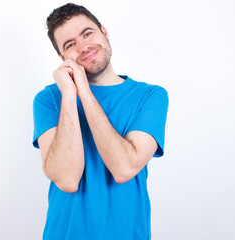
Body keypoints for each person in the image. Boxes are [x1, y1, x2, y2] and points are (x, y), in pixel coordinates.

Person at [32, 3, 169, 240]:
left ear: (104, 32)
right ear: (62, 57)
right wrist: (68, 94)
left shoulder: (150, 96)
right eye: (70, 44)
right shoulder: (49, 100)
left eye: (87, 33)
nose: (84, 47)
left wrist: (84, 92)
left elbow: (124, 168)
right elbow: (67, 179)